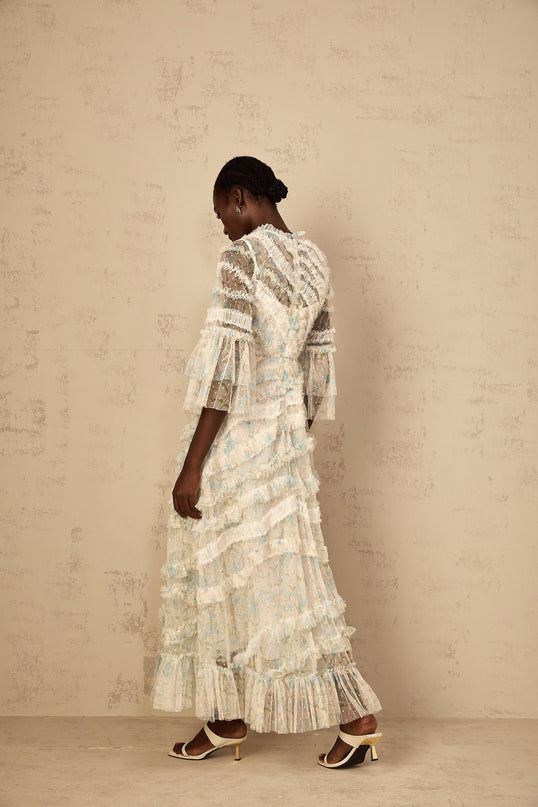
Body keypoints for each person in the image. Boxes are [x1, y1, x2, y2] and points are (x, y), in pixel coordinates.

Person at [150, 156, 383, 768]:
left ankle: (356, 715)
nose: (223, 229)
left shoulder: (244, 257)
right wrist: (291, 443)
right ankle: (228, 718)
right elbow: (314, 371)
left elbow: (224, 371)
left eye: (222, 215)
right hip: (282, 440)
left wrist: (194, 465)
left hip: (237, 441)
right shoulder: (314, 262)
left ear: (239, 198)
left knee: (252, 582)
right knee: (266, 580)